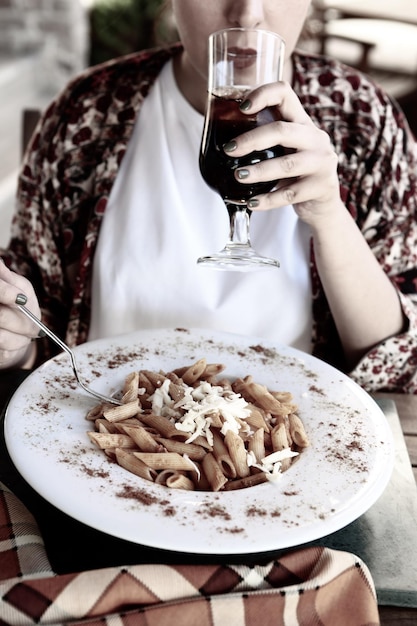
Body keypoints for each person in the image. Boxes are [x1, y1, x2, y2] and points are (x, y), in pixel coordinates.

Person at [0, 0, 417, 394]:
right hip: (95, 438)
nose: (247, 14)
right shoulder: (85, 113)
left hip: (292, 457)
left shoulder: (364, 119)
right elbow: (39, 322)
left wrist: (329, 214)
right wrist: (17, 344)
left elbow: (400, 370)